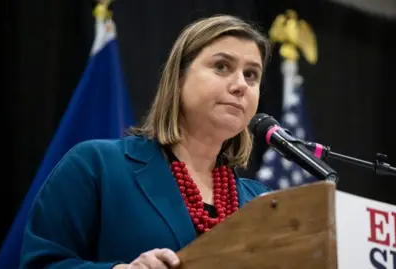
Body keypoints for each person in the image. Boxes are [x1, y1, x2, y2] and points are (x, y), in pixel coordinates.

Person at [20, 14, 272, 269]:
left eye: (251, 74)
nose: (241, 85)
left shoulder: (263, 203)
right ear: (178, 78)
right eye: (222, 67)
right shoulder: (96, 165)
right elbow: (39, 264)